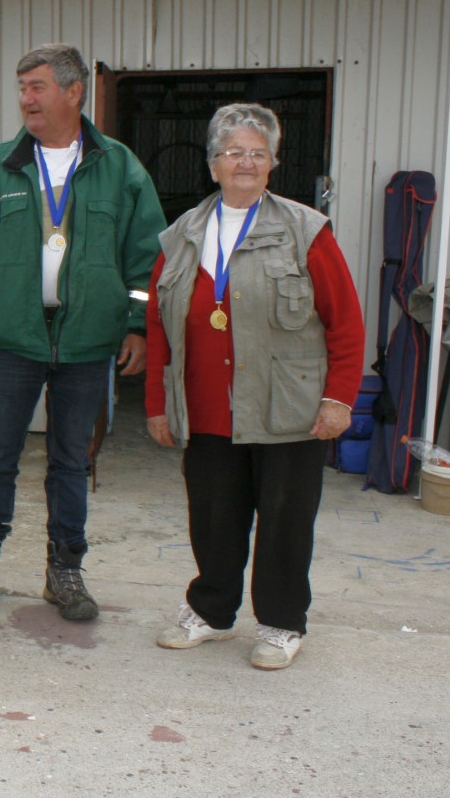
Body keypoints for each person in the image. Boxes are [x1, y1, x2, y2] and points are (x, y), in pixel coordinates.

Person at [0, 43, 166, 621]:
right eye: (22, 89)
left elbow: (146, 258)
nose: (26, 100)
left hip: (88, 343)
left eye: (37, 87)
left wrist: (137, 326)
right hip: (14, 341)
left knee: (70, 461)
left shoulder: (120, 168)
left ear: (74, 91)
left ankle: (64, 570)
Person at [146, 103, 361, 670]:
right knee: (213, 516)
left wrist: (339, 398)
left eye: (257, 153)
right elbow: (159, 326)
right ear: (212, 164)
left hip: (288, 407)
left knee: (286, 519)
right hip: (208, 408)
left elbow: (345, 321)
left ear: (273, 163)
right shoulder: (181, 235)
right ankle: (212, 612)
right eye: (233, 152)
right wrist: (158, 405)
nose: (245, 162)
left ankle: (282, 623)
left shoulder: (305, 230)